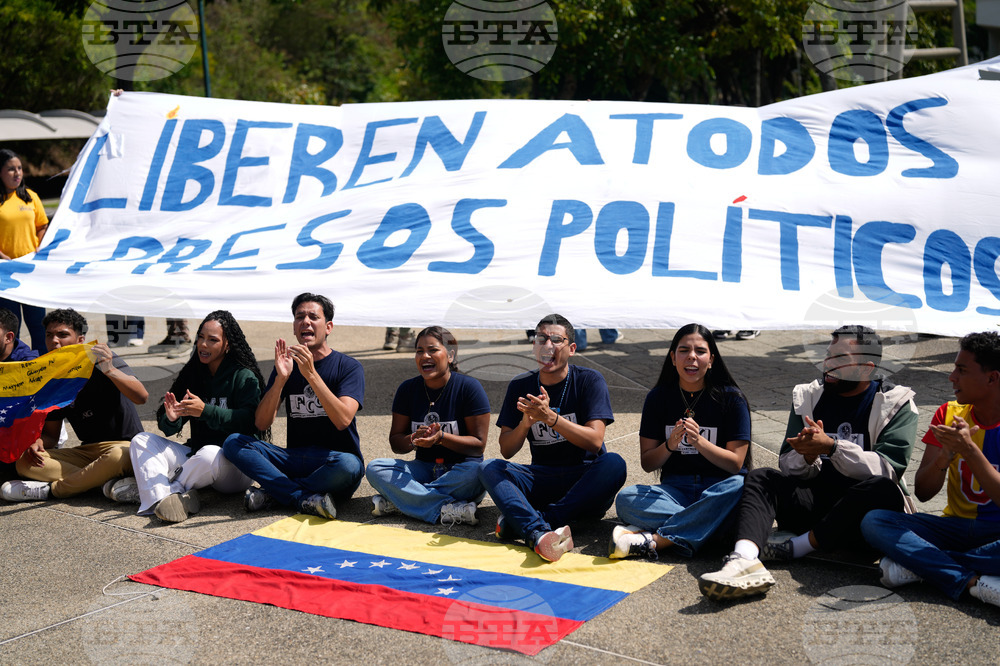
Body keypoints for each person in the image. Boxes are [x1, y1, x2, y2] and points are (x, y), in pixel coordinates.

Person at [699, 325, 918, 601]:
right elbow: (786, 464)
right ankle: (743, 560)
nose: (828, 364)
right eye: (828, 356)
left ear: (866, 368)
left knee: (882, 489)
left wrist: (833, 447)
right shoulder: (809, 395)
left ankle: (796, 548)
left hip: (860, 520)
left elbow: (889, 470)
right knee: (761, 477)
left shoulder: (896, 403)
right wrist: (807, 455)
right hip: (814, 505)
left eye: (840, 359)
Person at [861, 332, 1000, 608]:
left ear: (992, 378)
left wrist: (970, 450)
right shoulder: (948, 414)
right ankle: (971, 581)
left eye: (961, 370)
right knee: (875, 522)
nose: (952, 377)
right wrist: (943, 459)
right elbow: (924, 493)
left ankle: (921, 565)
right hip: (953, 526)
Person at [479, 313, 626, 562]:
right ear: (534, 347)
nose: (548, 345)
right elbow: (506, 449)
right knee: (488, 467)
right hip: (542, 477)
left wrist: (551, 419)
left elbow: (595, 441)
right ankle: (541, 530)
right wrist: (525, 423)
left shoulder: (589, 380)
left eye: (557, 339)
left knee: (615, 464)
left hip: (585, 479)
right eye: (541, 339)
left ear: (571, 348)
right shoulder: (520, 385)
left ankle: (533, 524)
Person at [611, 324, 751, 559]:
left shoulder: (732, 399)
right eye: (684, 350)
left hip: (719, 489)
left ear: (712, 359)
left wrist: (699, 442)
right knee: (626, 499)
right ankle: (707, 525)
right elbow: (648, 463)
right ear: (673, 358)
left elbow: (736, 464)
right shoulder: (657, 398)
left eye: (700, 351)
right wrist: (668, 446)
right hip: (675, 490)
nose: (692, 357)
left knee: (741, 486)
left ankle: (655, 540)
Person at [223, 293, 364, 520]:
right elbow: (261, 422)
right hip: (294, 459)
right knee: (234, 443)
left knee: (349, 465)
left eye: (313, 317)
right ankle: (300, 497)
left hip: (333, 463)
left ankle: (276, 493)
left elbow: (343, 419)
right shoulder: (286, 367)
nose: (306, 322)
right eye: (300, 317)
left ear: (328, 327)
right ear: (294, 327)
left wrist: (311, 374)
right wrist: (280, 379)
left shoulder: (348, 367)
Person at [117, 311, 266, 523]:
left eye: (212, 340)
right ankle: (161, 501)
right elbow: (167, 426)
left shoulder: (243, 376)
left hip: (235, 467)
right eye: (201, 338)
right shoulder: (194, 372)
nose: (203, 345)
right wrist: (171, 418)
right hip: (197, 457)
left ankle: (165, 490)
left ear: (228, 345)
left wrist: (206, 411)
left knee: (210, 454)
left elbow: (250, 421)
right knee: (141, 440)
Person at [1, 309, 148, 502]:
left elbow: (141, 397)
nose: (54, 341)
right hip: (87, 452)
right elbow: (52, 436)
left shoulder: (100, 358)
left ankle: (51, 491)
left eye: (62, 335)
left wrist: (110, 369)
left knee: (119, 455)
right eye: (49, 335)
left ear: (80, 340)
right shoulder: (52, 376)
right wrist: (38, 443)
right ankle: (105, 484)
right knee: (24, 462)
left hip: (124, 446)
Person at [366, 326, 491, 526]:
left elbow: (478, 445)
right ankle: (447, 507)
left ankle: (405, 501)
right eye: (419, 351)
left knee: (480, 472)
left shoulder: (469, 388)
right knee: (376, 468)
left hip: (460, 471)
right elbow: (396, 442)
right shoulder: (407, 389)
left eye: (433, 350)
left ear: (450, 355)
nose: (425, 356)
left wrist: (442, 438)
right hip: (423, 468)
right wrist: (413, 439)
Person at [0, 148, 48, 355]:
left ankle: (44, 369)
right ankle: (14, 369)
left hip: (31, 271)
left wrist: (39, 246)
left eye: (19, 168)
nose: (17, 173)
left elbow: (42, 226)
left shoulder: (31, 197)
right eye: (11, 169)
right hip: (5, 272)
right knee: (11, 327)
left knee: (39, 324)